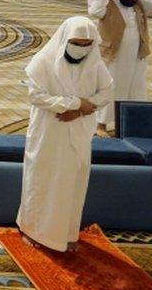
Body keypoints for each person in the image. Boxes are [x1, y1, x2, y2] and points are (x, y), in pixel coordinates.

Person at [17, 17, 113, 252]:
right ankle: (34, 231)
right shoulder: (44, 60)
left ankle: (66, 234)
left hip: (79, 132)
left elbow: (106, 92)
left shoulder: (94, 62)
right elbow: (36, 96)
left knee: (72, 182)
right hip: (49, 131)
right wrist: (73, 104)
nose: (81, 48)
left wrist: (79, 111)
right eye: (76, 43)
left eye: (86, 44)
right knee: (43, 179)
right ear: (65, 39)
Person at [86, 0, 152, 136]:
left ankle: (130, 125)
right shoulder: (108, 4)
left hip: (137, 58)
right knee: (110, 87)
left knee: (135, 89)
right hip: (113, 57)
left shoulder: (140, 5)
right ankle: (100, 125)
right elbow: (94, 11)